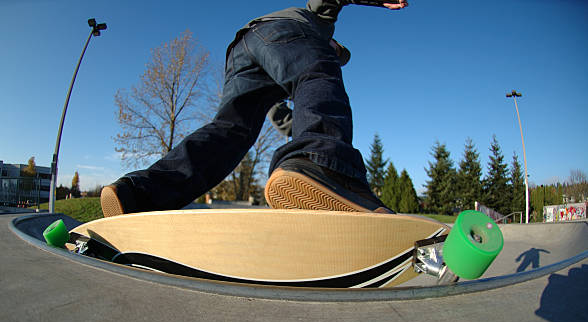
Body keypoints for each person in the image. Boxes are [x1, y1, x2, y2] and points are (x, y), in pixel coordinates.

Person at [101, 0, 408, 217]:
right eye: (336, 52)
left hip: (241, 53)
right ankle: (324, 166)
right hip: (277, 31)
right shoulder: (317, 27)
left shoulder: (286, 61)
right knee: (319, 73)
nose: (333, 54)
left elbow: (280, 115)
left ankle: (140, 192)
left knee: (232, 131)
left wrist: (301, 140)